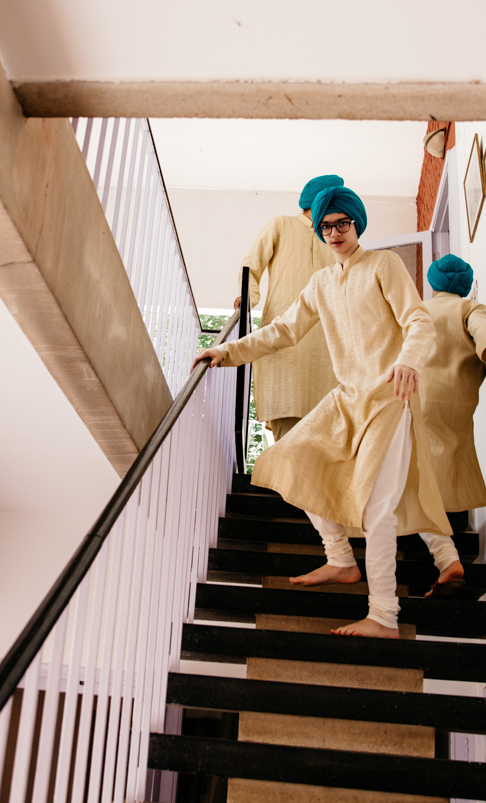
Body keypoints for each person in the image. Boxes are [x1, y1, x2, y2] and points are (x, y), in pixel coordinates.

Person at [195, 185, 461, 640]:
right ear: (318, 230)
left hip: (388, 401)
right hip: (346, 399)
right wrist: (227, 351)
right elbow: (283, 330)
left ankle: (384, 617)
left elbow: (418, 321)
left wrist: (408, 361)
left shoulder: (384, 265)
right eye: (326, 226)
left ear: (357, 224)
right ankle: (339, 557)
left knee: (378, 510)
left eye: (343, 223)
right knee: (287, 460)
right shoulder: (321, 284)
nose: (335, 232)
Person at [417, 255, 486, 547]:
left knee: (420, 457)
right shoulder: (471, 307)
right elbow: (482, 330)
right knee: (451, 455)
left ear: (433, 282)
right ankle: (449, 523)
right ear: (464, 286)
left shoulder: (418, 309)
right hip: (458, 399)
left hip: (417, 394)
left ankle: (428, 532)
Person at [233, 175, 343, 442]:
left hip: (326, 342)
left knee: (323, 430)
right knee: (287, 423)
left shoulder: (337, 239)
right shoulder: (281, 224)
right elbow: (252, 265)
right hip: (282, 338)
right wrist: (247, 298)